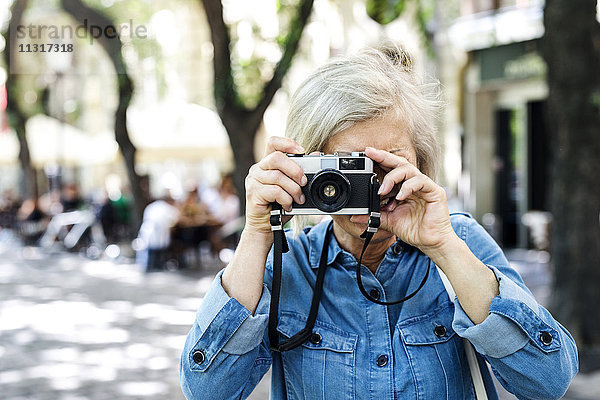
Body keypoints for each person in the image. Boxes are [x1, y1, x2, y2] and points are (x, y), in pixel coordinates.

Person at [180, 46, 578, 399]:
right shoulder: (289, 264)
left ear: (420, 162)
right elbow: (208, 390)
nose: (367, 188)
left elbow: (548, 381)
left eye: (386, 163)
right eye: (345, 171)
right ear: (306, 169)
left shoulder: (459, 239)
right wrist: (256, 234)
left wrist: (442, 246)